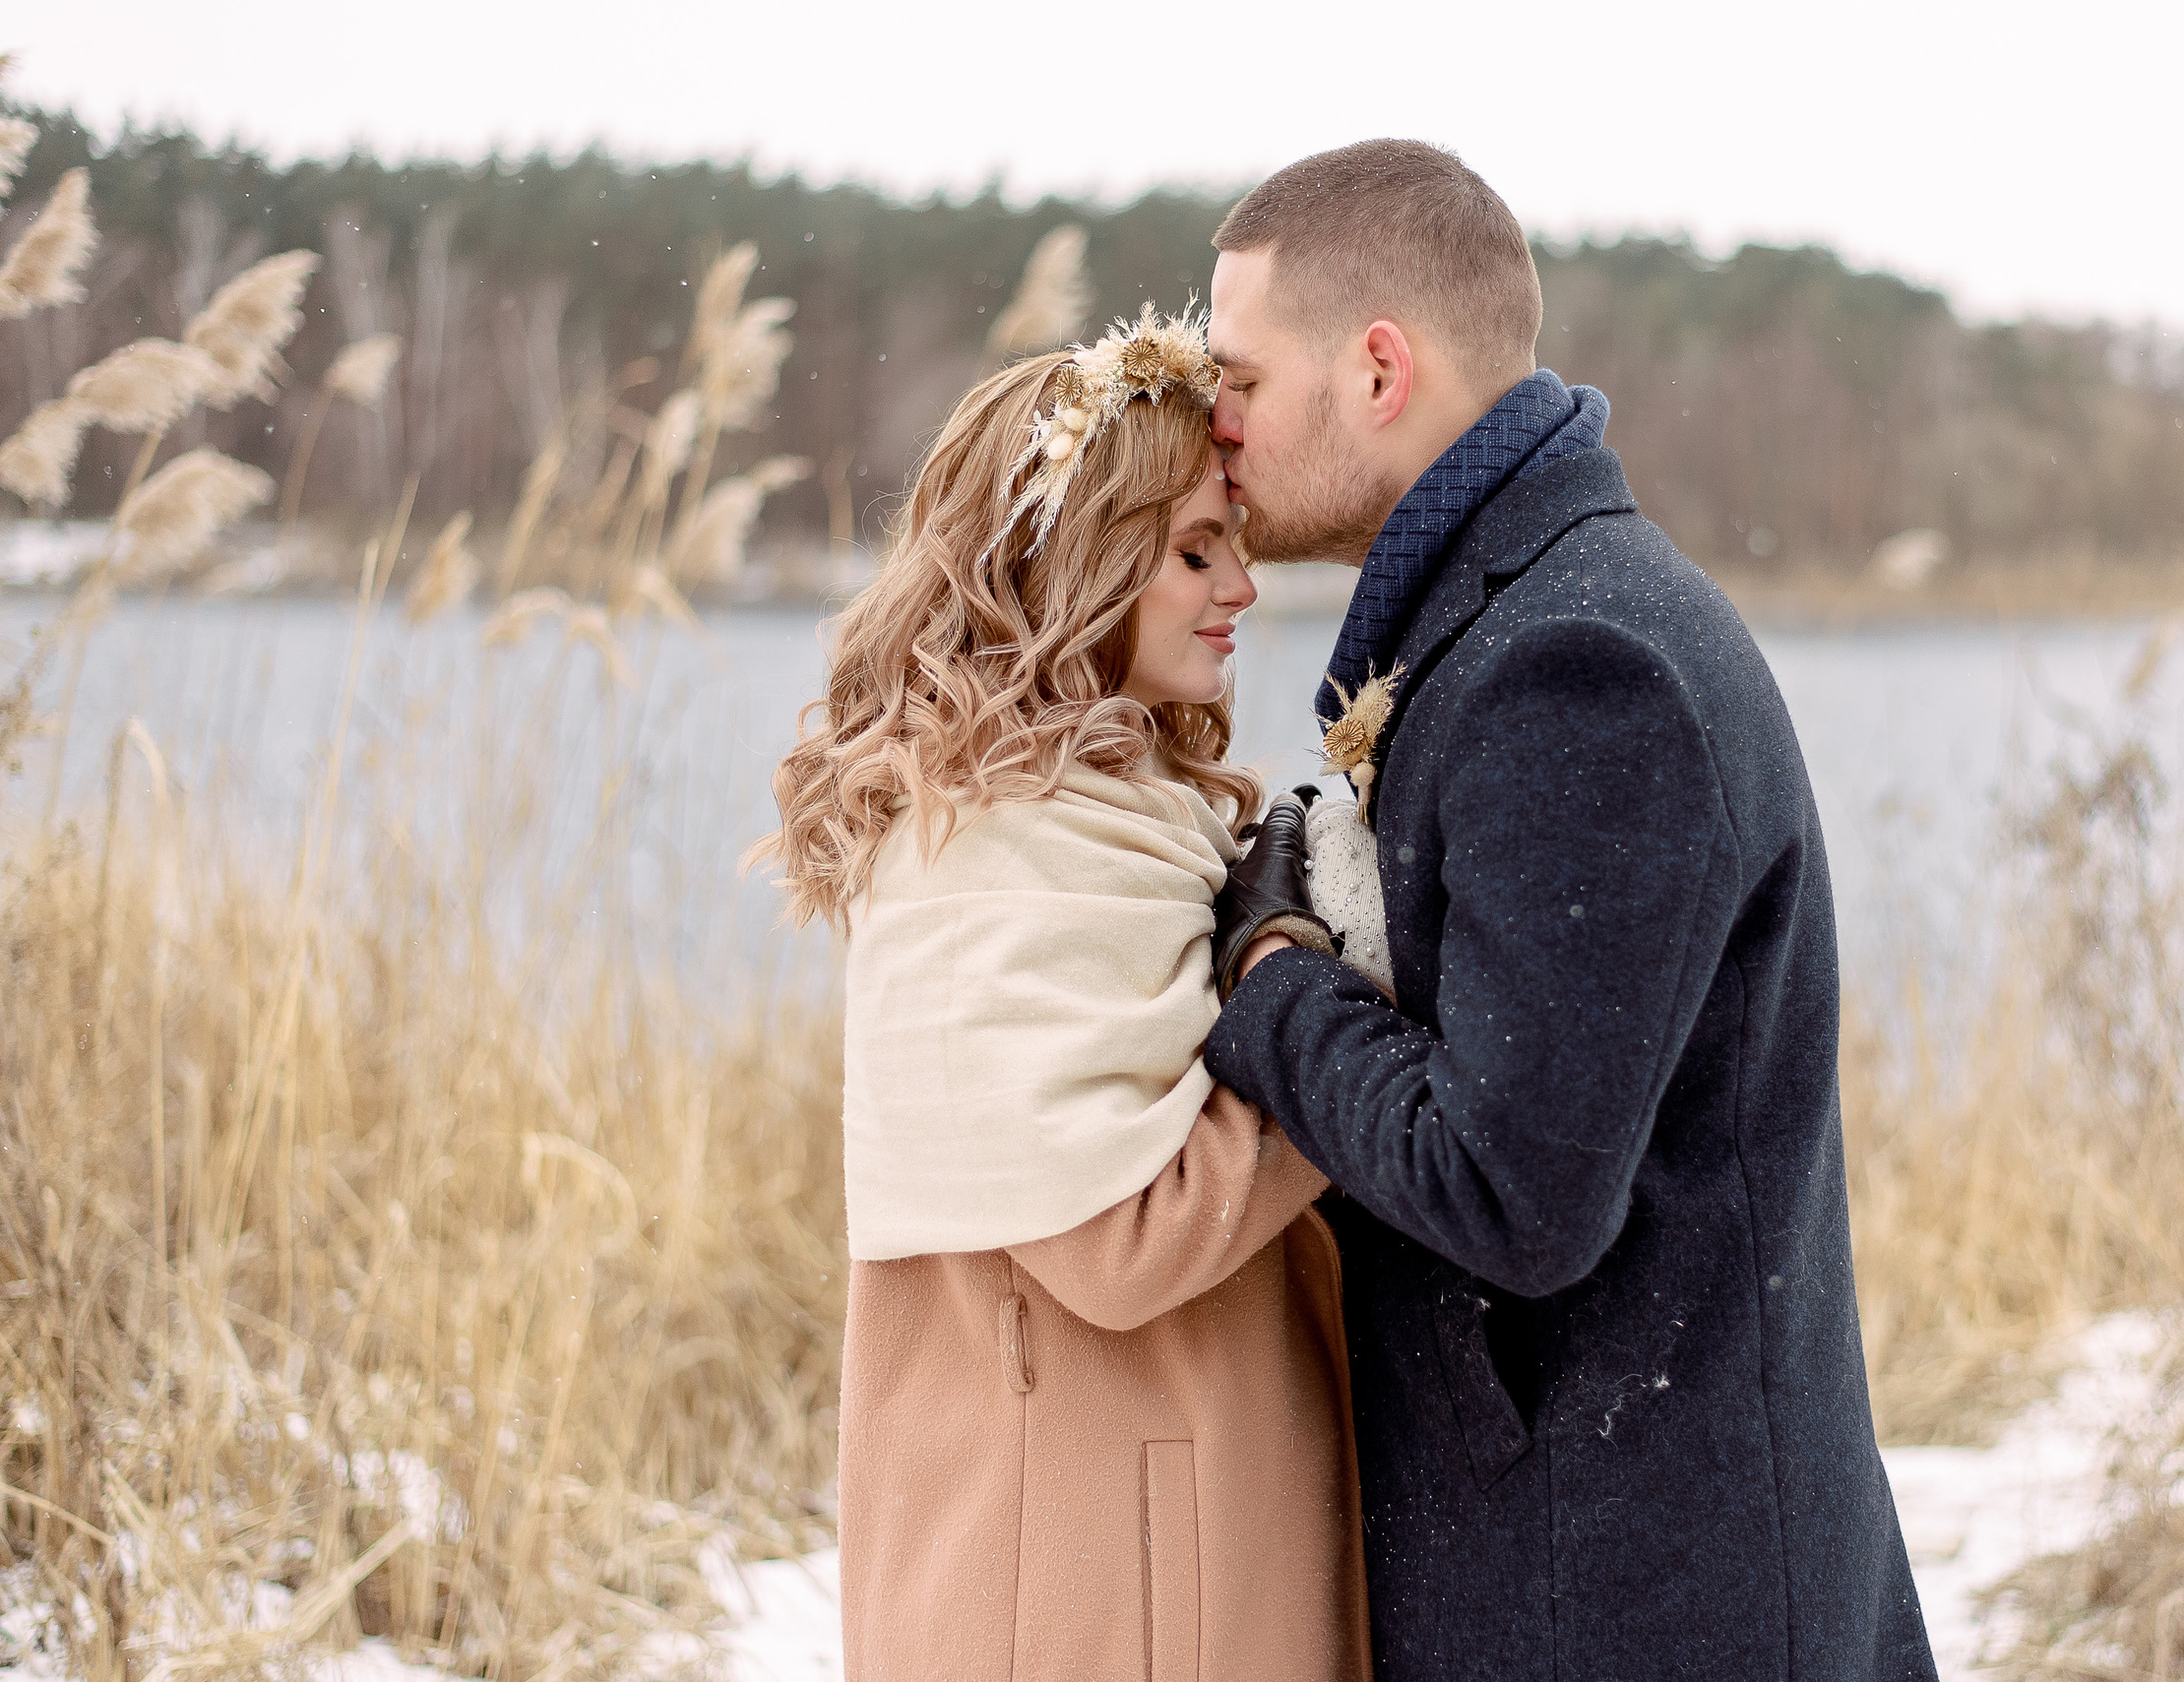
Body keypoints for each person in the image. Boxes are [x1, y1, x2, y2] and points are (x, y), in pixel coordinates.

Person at [1201, 141, 1937, 1680]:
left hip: (1629, 1604)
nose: (1218, 424)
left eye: (1241, 378)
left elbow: (1511, 1189)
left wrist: (1270, 976)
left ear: (1379, 368)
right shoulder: (1533, 611)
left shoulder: (1580, 665)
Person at [753, 309, 1369, 1682]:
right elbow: (1123, 1240)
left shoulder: (1106, 811)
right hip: (1086, 1576)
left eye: (1240, 547)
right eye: (1193, 551)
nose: (1241, 589)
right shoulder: (988, 843)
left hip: (1149, 1520)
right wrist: (1343, 1025)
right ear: (1076, 565)